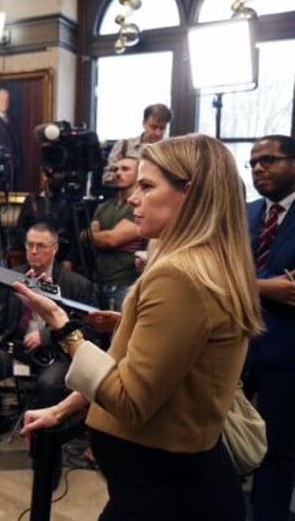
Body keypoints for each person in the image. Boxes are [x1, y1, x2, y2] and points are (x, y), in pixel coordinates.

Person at [20, 134, 262, 520]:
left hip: (165, 492)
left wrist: (62, 326)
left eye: (147, 186)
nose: (134, 198)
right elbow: (134, 363)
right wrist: (64, 409)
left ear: (190, 194)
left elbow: (131, 400)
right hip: (161, 483)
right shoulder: (204, 265)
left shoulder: (180, 278)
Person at [0, 222, 97, 458]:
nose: (34, 251)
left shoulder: (76, 285)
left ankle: (45, 453)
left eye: (41, 246)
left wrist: (46, 335)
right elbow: (1, 314)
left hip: (56, 353)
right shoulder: (15, 275)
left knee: (49, 384)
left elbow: (87, 330)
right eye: (30, 245)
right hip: (17, 347)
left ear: (55, 248)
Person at [244, 134, 295, 521]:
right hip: (236, 346)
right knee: (223, 438)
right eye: (254, 162)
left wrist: (243, 282)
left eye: (269, 160)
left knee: (278, 449)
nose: (259, 168)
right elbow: (219, 273)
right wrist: (267, 287)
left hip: (286, 351)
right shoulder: (244, 214)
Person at [83, 156, 143, 310]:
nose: (118, 173)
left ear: (138, 173)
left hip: (125, 284)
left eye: (125, 169)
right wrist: (102, 239)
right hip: (99, 282)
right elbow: (84, 237)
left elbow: (111, 240)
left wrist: (102, 239)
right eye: (115, 169)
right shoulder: (103, 207)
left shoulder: (139, 206)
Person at [101, 103, 170, 187]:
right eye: (153, 127)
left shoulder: (170, 151)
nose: (158, 133)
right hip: (125, 197)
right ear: (143, 123)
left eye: (162, 128)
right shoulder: (124, 146)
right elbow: (106, 177)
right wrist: (128, 176)